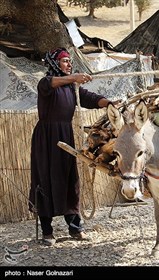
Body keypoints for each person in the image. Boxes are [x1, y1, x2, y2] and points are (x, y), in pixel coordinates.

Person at [28, 47, 115, 246]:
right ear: (54, 64)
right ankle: (47, 232)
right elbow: (52, 82)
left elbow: (91, 98)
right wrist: (74, 77)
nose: (69, 64)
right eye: (65, 61)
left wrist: (109, 103)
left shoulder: (71, 88)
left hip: (65, 135)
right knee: (45, 178)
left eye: (69, 61)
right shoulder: (46, 83)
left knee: (69, 177)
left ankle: (75, 228)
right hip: (46, 138)